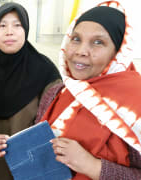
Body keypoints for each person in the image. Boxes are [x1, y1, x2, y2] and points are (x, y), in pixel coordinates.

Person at [40, 1, 141, 179]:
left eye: (98, 42)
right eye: (76, 39)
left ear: (118, 53)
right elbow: (41, 148)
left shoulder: (135, 105)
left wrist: (92, 165)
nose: (81, 51)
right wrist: (15, 146)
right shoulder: (55, 93)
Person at [0, 2, 62, 180]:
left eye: (17, 25)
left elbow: (55, 125)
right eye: (2, 25)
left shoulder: (45, 72)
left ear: (26, 30)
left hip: (31, 163)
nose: (9, 31)